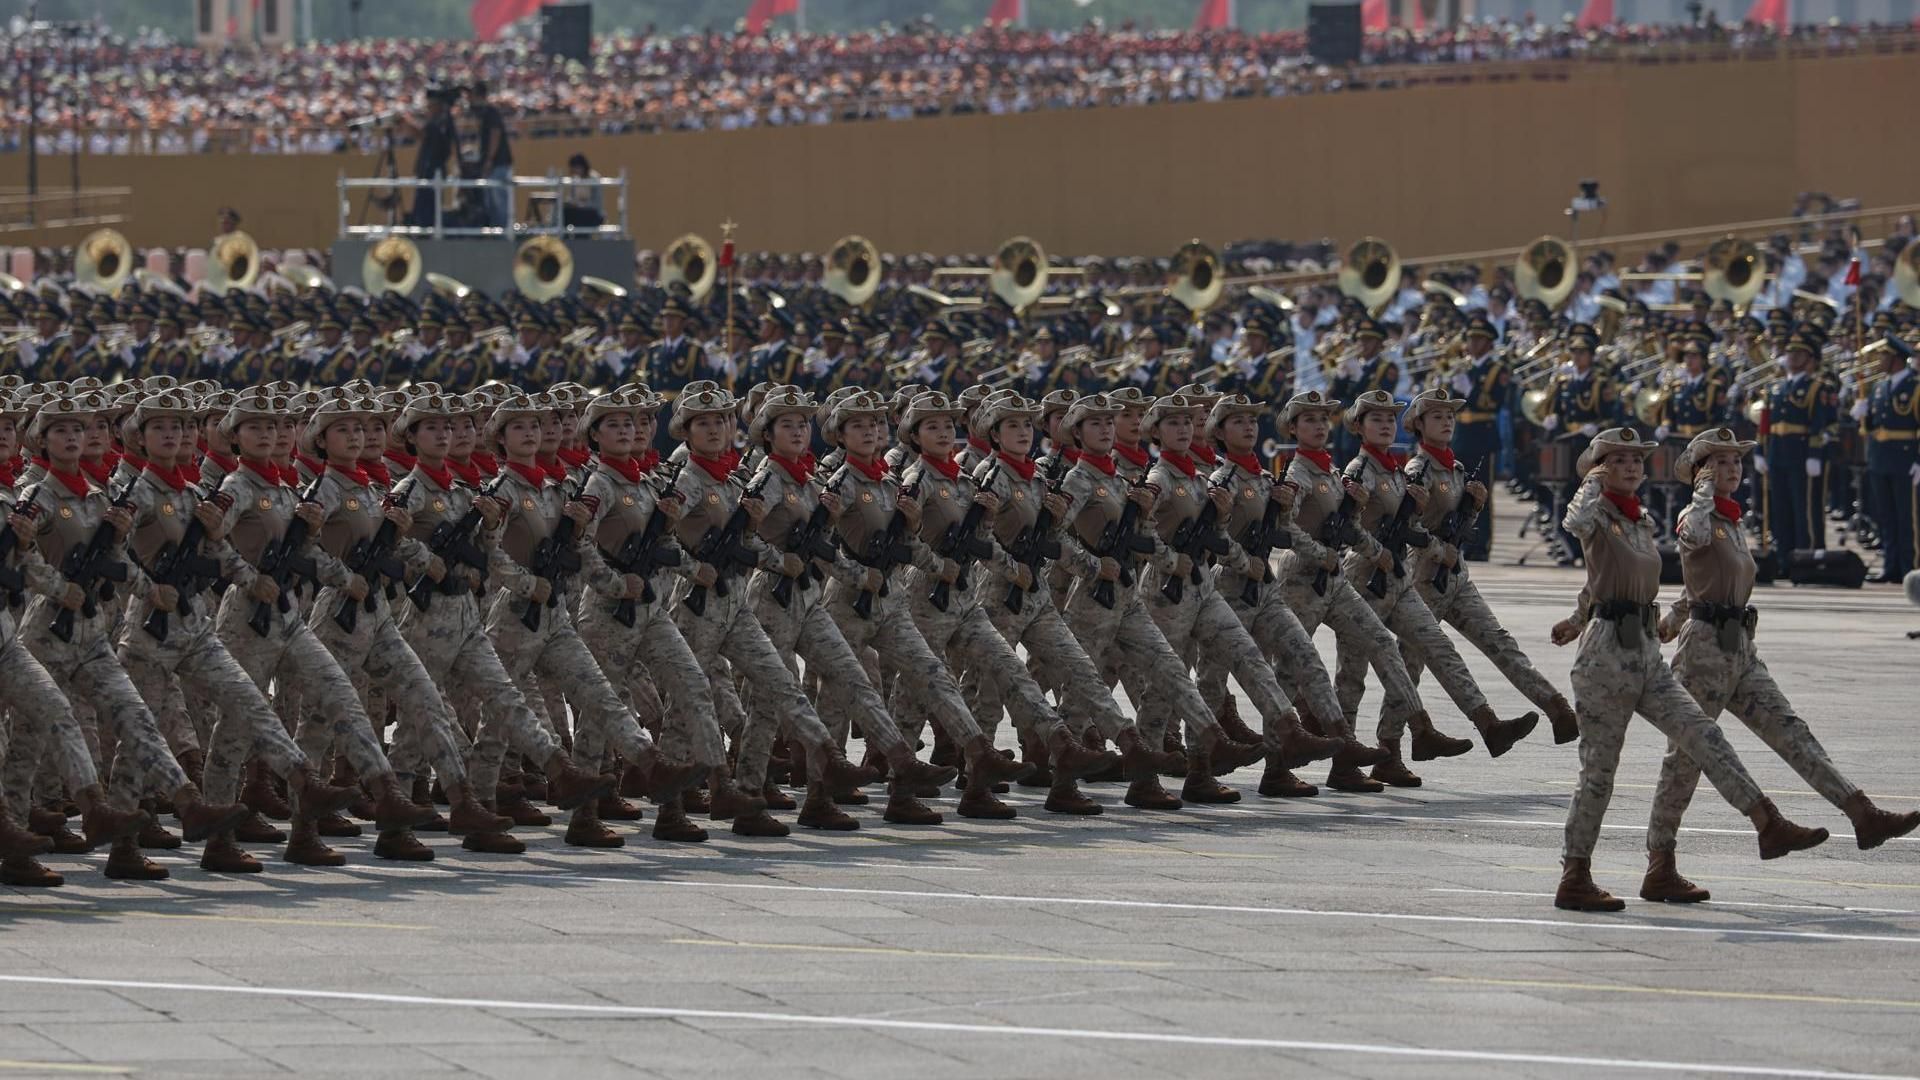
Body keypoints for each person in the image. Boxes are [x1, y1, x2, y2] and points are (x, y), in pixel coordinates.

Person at [1635, 427, 1920, 903]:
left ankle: (1862, 813)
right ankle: (1660, 863)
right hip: (1704, 653)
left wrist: (1674, 613)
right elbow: (1692, 542)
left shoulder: (1732, 520)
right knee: (1684, 762)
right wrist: (1702, 494)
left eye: (1736, 462)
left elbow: (1700, 582)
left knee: (1792, 731)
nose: (1733, 469)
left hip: (1741, 649)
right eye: (1721, 463)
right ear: (1702, 473)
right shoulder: (1698, 515)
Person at [1549, 426, 1827, 912]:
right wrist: (1590, 484)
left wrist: (1575, 616)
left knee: (1703, 734)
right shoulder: (1596, 513)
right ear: (1600, 467)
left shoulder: (1639, 519)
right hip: (1605, 659)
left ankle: (1767, 822)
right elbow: (1573, 526)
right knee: (1599, 773)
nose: (1633, 466)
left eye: (1638, 460)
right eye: (1620, 460)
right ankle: (1575, 875)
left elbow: (1609, 579)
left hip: (1647, 655)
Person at [405, 86, 457, 229]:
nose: (428, 108)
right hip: (426, 169)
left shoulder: (442, 120)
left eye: (430, 105)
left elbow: (423, 133)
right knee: (422, 207)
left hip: (433, 170)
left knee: (428, 209)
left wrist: (406, 119)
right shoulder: (439, 120)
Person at [468, 82, 514, 231]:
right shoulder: (484, 113)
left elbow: (495, 134)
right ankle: (496, 231)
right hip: (493, 164)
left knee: (499, 200)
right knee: (491, 200)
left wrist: (489, 159)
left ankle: (503, 233)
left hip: (498, 163)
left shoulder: (490, 112)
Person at [562, 153, 605, 229]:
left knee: (580, 219)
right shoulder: (575, 179)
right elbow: (571, 198)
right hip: (578, 212)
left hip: (592, 213)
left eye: (577, 167)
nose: (575, 170)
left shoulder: (594, 178)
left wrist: (582, 205)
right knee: (564, 213)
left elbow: (597, 203)